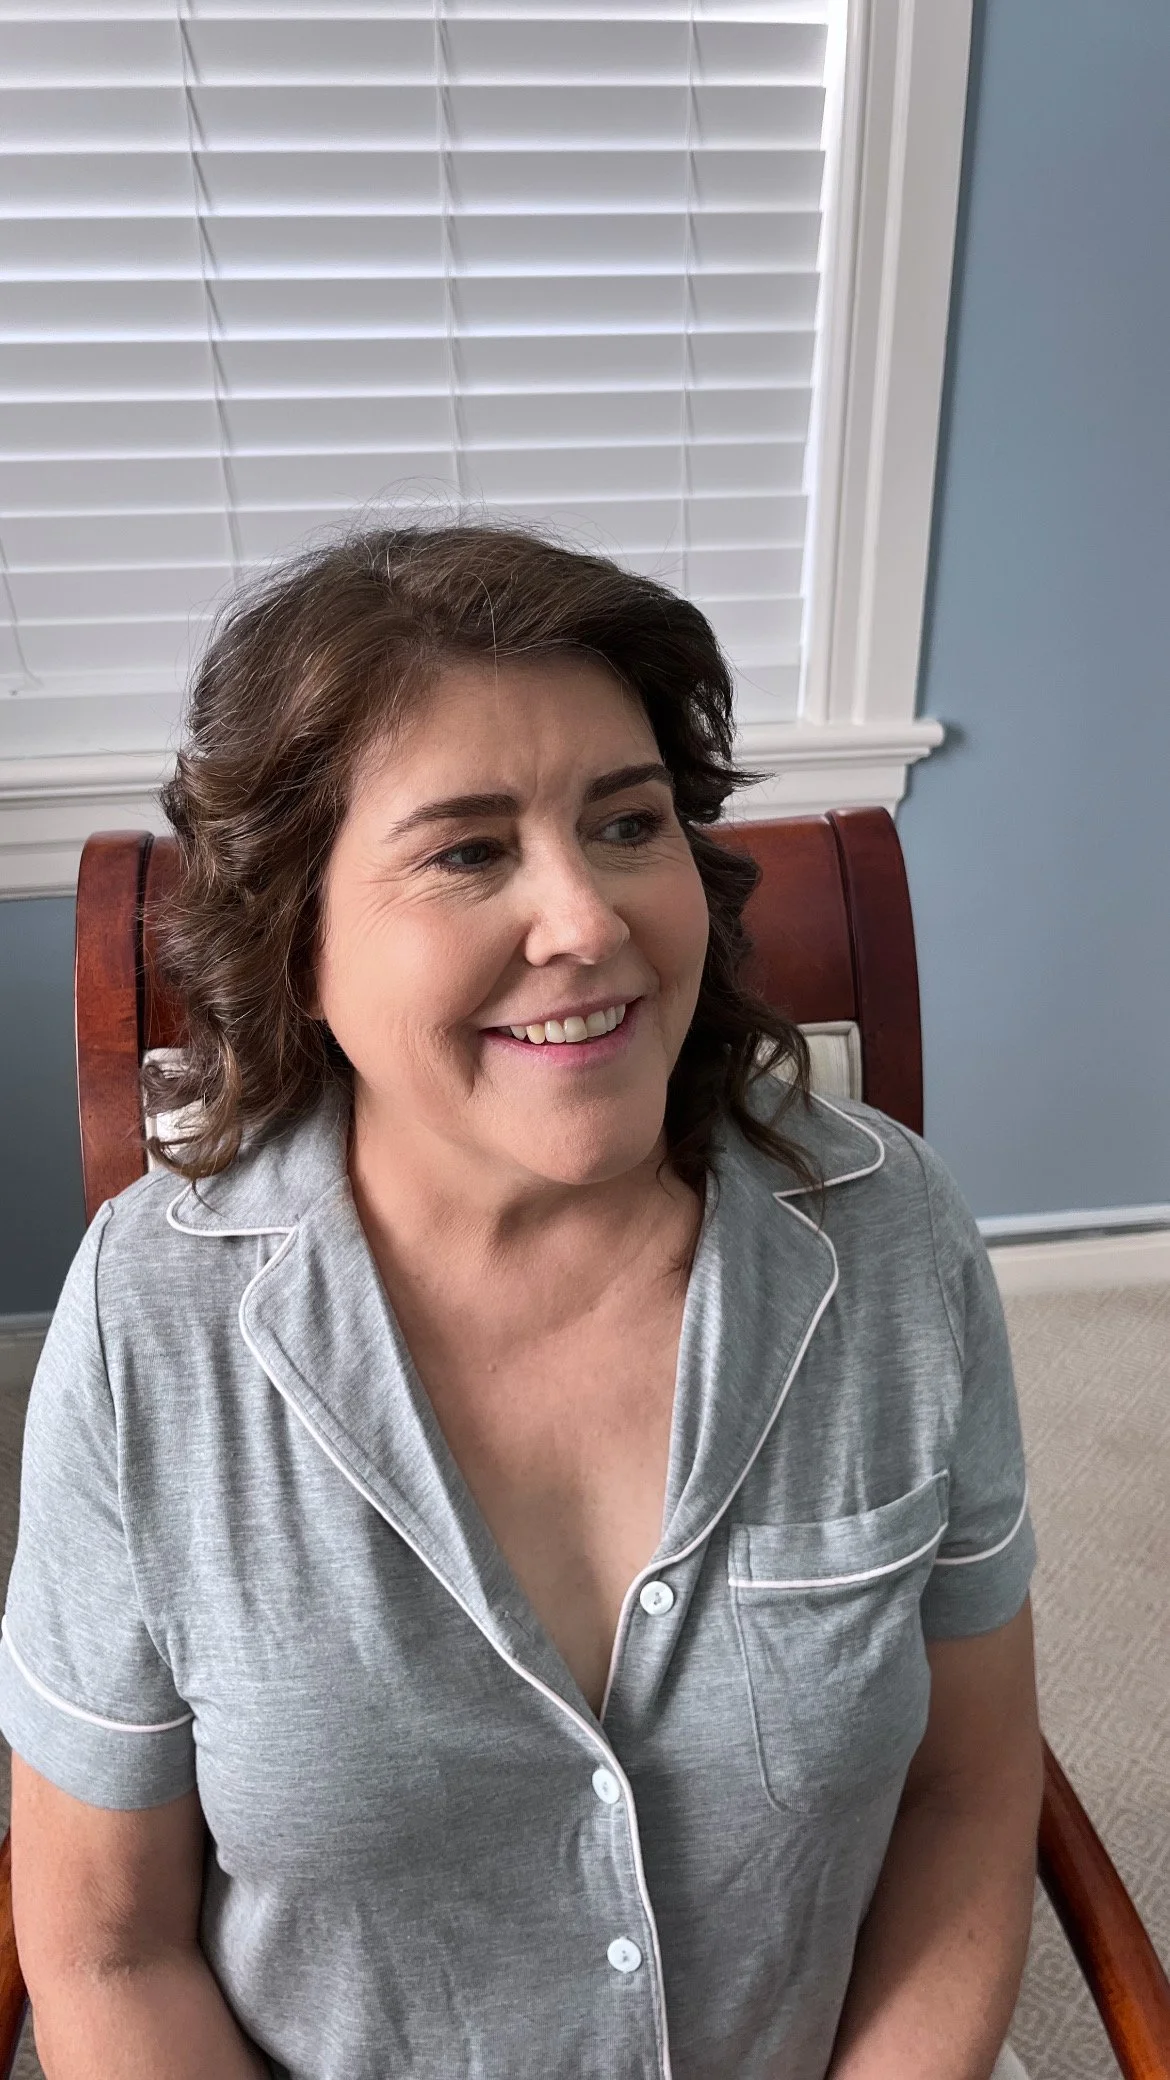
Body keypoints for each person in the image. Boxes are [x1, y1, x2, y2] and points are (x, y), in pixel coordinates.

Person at [0, 525, 1041, 2080]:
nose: (588, 920)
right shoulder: (151, 1322)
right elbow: (103, 1942)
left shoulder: (889, 1235)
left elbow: (969, 1790)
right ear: (297, 939)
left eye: (628, 824)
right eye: (467, 851)